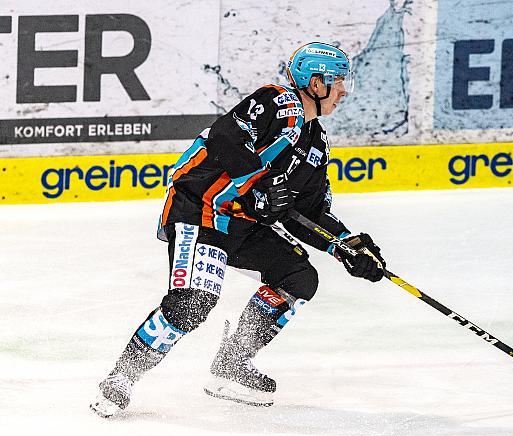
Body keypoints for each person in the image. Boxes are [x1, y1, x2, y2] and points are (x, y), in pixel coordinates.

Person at [90, 42, 387, 417]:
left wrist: (346, 246)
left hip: (243, 224)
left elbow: (307, 211)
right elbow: (226, 138)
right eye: (339, 81)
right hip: (202, 211)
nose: (344, 90)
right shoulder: (278, 102)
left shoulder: (316, 143)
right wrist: (264, 182)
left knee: (297, 276)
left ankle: (231, 364)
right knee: (191, 304)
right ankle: (121, 378)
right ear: (315, 83)